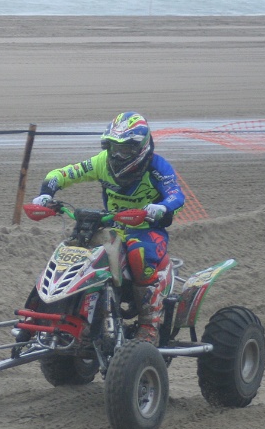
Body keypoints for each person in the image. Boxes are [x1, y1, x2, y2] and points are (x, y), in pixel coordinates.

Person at [32, 111, 185, 346]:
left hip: (146, 229)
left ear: (141, 148)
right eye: (114, 147)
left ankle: (149, 324)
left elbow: (176, 194)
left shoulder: (157, 167)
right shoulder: (101, 162)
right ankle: (66, 312)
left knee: (137, 254)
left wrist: (161, 208)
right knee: (75, 248)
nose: (118, 154)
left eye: (125, 149)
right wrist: (46, 193)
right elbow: (61, 174)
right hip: (112, 226)